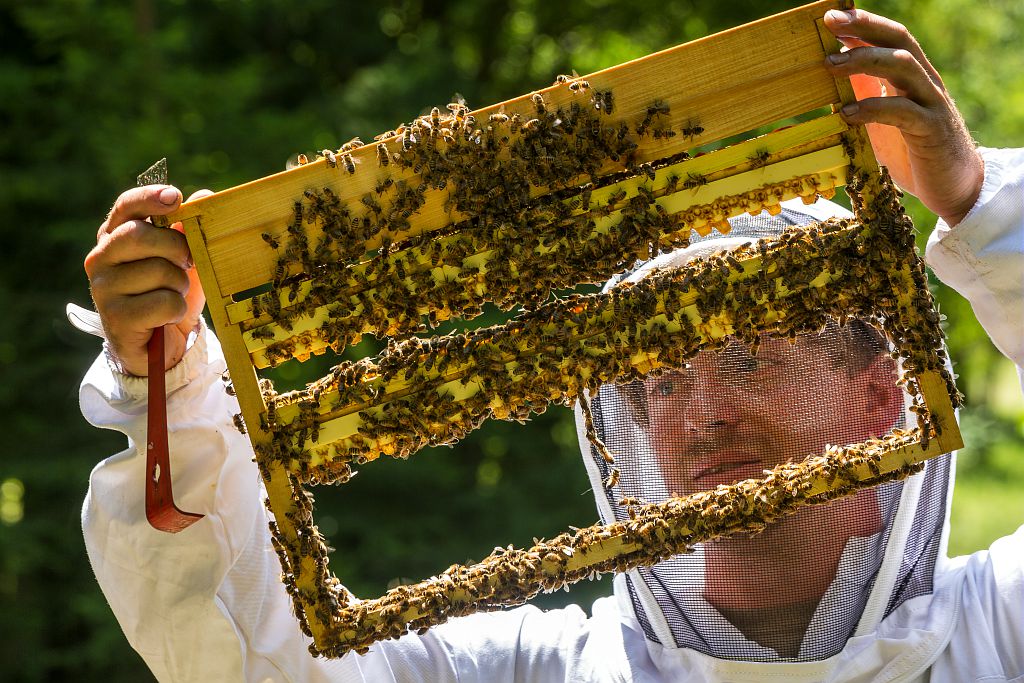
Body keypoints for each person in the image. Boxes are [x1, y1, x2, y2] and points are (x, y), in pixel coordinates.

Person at [80, 8, 1022, 682]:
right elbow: (250, 658)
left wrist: (980, 207)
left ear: (878, 388)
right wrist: (167, 387)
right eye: (655, 375)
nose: (698, 412)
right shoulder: (536, 670)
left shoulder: (1001, 633)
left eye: (748, 352)